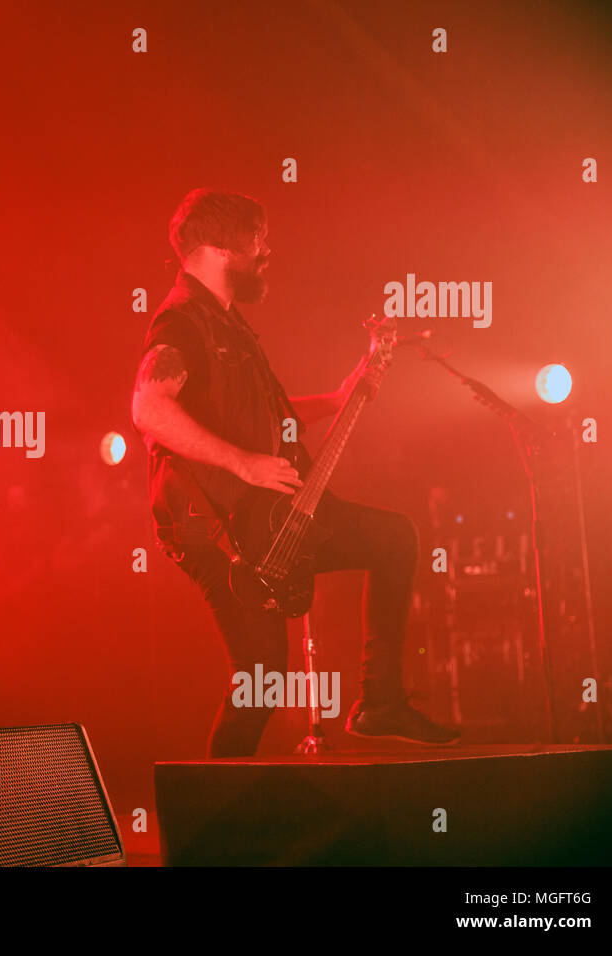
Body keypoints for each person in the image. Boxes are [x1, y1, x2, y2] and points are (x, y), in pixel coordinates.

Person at [131, 188, 458, 757]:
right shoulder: (182, 320)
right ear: (217, 248)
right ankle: (212, 827)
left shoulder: (227, 324)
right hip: (216, 522)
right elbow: (149, 408)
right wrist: (244, 464)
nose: (266, 250)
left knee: (393, 538)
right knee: (260, 680)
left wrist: (335, 398)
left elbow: (265, 418)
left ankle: (380, 703)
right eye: (256, 238)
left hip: (264, 506)